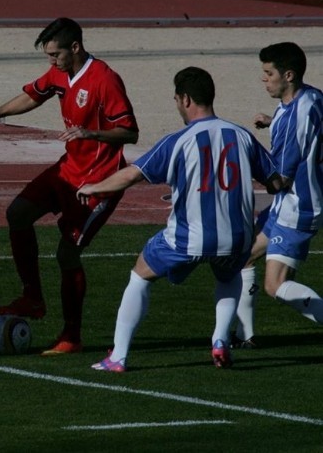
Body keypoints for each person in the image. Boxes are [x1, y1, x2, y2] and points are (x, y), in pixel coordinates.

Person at [78, 67, 281, 372]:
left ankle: (118, 356)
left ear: (186, 99)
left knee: (140, 275)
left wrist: (95, 186)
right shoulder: (242, 136)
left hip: (189, 237)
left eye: (176, 100)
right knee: (228, 277)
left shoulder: (179, 140)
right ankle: (220, 341)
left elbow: (133, 174)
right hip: (238, 238)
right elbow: (276, 183)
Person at [0, 17, 139, 355]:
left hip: (99, 181)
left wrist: (92, 133)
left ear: (75, 47)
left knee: (66, 253)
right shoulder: (60, 73)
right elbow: (34, 95)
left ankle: (71, 336)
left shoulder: (105, 80)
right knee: (17, 213)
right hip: (68, 169)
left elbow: (130, 132)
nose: (51, 61)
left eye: (55, 54)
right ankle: (32, 297)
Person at [232, 42, 323, 347]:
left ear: (288, 75)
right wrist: (273, 123)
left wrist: (245, 165)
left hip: (297, 207)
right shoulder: (312, 97)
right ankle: (245, 336)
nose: (264, 79)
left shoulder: (292, 119)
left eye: (269, 73)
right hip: (292, 204)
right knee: (244, 257)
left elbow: (280, 180)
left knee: (275, 285)